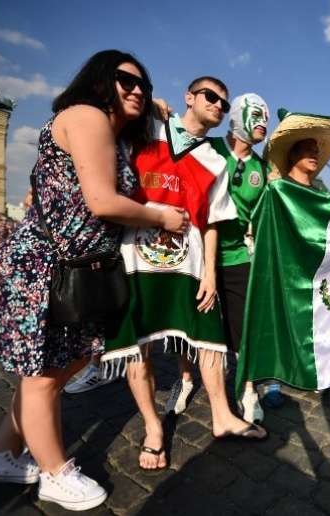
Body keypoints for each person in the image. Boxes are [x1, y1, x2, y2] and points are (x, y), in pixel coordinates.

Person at [0, 50, 188, 511]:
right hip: (49, 265)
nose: (136, 90)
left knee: (53, 369)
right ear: (98, 81)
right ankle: (54, 473)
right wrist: (161, 216)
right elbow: (102, 201)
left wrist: (154, 107)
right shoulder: (88, 115)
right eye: (124, 80)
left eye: (143, 86)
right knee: (45, 376)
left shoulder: (106, 127)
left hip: (69, 265)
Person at [103, 76, 267, 472]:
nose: (218, 106)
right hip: (134, 259)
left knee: (210, 342)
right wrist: (148, 105)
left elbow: (211, 222)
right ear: (189, 98)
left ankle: (223, 416)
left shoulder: (214, 159)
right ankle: (153, 428)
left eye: (224, 104)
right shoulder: (149, 129)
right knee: (137, 347)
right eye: (210, 97)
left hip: (189, 264)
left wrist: (210, 272)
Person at [206, 93, 272, 423]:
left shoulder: (263, 168)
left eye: (267, 117)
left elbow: (265, 218)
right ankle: (187, 379)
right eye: (257, 114)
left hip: (237, 257)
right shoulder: (209, 149)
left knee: (242, 327)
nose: (264, 122)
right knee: (198, 325)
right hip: (199, 254)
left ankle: (248, 389)